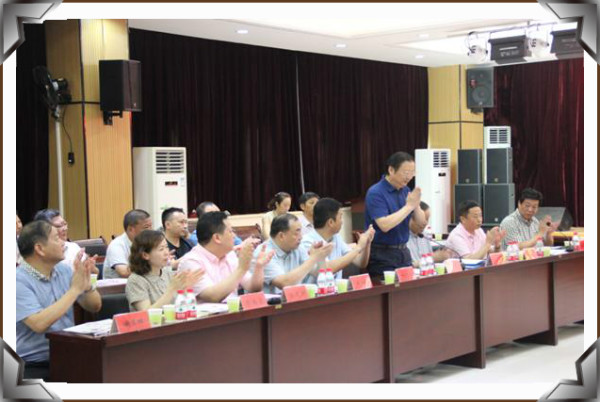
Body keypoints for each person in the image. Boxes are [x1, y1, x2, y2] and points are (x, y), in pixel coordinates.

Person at [16, 221, 101, 380]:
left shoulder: (64, 270)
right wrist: (74, 290)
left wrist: (87, 283)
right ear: (39, 249)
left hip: (68, 355)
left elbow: (94, 306)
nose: (64, 243)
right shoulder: (17, 281)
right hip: (32, 364)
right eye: (56, 239)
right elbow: (39, 324)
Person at [178, 211, 274, 303]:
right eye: (230, 231)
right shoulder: (191, 261)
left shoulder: (229, 255)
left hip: (233, 311)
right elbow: (212, 297)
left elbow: (253, 288)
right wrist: (241, 269)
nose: (234, 236)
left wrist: (259, 267)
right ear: (217, 238)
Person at [364, 152, 426, 277]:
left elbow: (421, 224)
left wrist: (416, 205)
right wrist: (409, 206)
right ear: (391, 170)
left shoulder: (406, 190)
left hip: (404, 252)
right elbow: (384, 225)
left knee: (410, 288)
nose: (409, 177)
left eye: (412, 173)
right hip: (382, 254)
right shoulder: (376, 192)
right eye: (406, 173)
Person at [125, 230, 204, 311]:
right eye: (161, 249)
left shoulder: (168, 273)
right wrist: (172, 289)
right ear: (145, 255)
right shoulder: (136, 280)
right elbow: (146, 312)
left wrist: (187, 287)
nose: (166, 253)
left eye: (166, 247)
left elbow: (183, 306)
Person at [256, 213, 333, 294]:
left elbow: (318, 273)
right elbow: (284, 283)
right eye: (296, 233)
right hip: (272, 301)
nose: (301, 237)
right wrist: (313, 258)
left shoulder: (297, 247)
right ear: (281, 236)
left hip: (296, 298)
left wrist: (321, 257)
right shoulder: (264, 253)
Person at [301, 198, 374, 279]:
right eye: (340, 217)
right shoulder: (307, 242)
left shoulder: (336, 237)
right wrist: (358, 247)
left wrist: (367, 243)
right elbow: (326, 269)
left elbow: (360, 262)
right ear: (331, 222)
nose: (342, 222)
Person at [103, 209, 153, 279]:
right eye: (146, 227)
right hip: (120, 285)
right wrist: (152, 264)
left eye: (151, 226)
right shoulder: (117, 245)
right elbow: (124, 272)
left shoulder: (146, 242)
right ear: (130, 229)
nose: (151, 230)